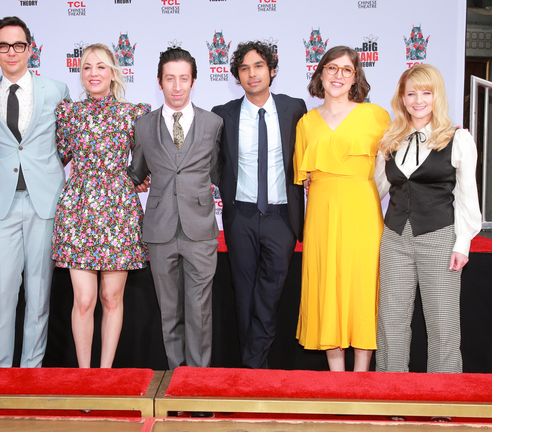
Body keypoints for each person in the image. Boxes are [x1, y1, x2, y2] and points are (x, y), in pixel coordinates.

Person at [0, 16, 71, 368]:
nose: (10, 52)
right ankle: (0, 373)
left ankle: (31, 372)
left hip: (45, 202)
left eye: (18, 45)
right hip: (2, 206)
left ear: (30, 48)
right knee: (2, 292)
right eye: (2, 45)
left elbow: (69, 143)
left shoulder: (57, 90)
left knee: (39, 292)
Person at [374, 64, 481, 377]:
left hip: (439, 236)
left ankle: (443, 397)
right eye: (411, 93)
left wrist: (463, 243)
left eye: (426, 92)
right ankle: (391, 393)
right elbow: (375, 187)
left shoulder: (457, 139)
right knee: (391, 319)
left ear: (437, 96)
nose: (418, 100)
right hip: (394, 237)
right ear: (402, 99)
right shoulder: (390, 139)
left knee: (442, 321)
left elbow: (466, 196)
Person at [52, 43, 150, 368]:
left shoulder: (133, 114)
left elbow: (147, 159)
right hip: (78, 210)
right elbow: (57, 157)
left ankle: (104, 376)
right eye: (87, 67)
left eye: (101, 67)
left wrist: (141, 177)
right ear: (80, 74)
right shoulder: (68, 114)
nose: (94, 73)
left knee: (111, 298)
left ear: (113, 73)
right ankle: (84, 377)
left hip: (118, 210)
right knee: (84, 299)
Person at [128, 48, 223, 381]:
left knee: (199, 310)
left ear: (194, 81)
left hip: (200, 230)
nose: (177, 86)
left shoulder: (214, 123)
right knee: (170, 312)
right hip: (159, 229)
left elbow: (216, 171)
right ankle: (178, 378)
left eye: (184, 78)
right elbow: (136, 171)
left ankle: (196, 383)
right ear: (159, 82)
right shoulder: (143, 125)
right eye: (170, 78)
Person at [293, 46, 389, 372]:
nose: (338, 75)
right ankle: (338, 383)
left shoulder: (376, 116)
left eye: (347, 70)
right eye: (332, 68)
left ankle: (360, 382)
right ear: (321, 73)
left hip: (363, 211)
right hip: (322, 212)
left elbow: (401, 159)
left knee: (361, 287)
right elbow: (302, 178)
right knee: (325, 286)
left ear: (355, 78)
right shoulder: (306, 123)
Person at [212, 41, 307, 369]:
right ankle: (257, 373)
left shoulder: (295, 108)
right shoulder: (223, 114)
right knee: (244, 296)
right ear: (237, 76)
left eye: (258, 66)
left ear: (271, 70)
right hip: (241, 215)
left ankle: (252, 370)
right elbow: (216, 165)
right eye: (244, 68)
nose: (252, 74)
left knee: (268, 298)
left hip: (282, 217)